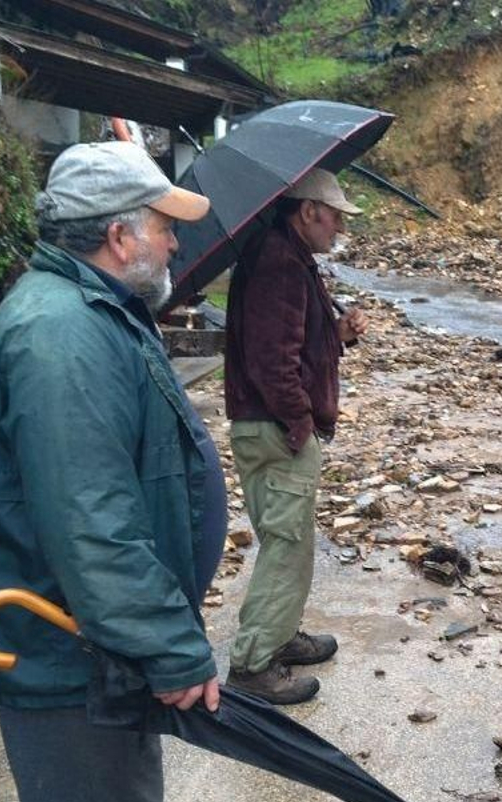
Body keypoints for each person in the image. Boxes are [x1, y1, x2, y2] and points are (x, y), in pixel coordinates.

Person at [0, 141, 225, 802]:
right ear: (119, 236)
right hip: (69, 656)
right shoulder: (60, 337)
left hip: (90, 648)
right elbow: (90, 522)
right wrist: (170, 648)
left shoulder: (93, 310)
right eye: (164, 225)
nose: (175, 240)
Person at [222, 168, 370, 704]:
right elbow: (272, 362)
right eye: (335, 217)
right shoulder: (280, 262)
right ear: (308, 210)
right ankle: (253, 664)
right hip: (276, 429)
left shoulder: (286, 256)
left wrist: (338, 334)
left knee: (294, 541)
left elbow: (295, 344)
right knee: (285, 545)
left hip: (273, 425)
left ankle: (279, 637)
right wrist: (301, 425)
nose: (340, 229)